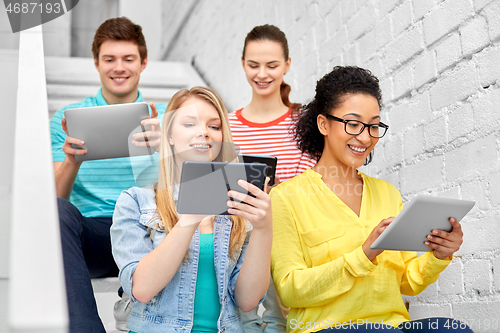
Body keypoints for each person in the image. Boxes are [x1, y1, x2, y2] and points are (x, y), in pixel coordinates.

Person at [270, 66, 472, 333]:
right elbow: (289, 289)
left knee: (452, 329)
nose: (365, 137)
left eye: (374, 126)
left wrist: (439, 254)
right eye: (353, 124)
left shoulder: (387, 194)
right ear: (323, 124)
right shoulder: (286, 197)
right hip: (326, 328)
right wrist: (362, 256)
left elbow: (407, 282)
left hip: (391, 326)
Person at [110, 86, 273, 332]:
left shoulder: (238, 208)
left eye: (214, 126)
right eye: (189, 124)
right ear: (170, 136)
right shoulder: (135, 201)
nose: (204, 133)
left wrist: (263, 229)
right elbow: (141, 289)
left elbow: (248, 301)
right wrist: (191, 215)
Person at [50, 17, 166, 332]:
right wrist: (71, 161)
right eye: (109, 59)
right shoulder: (67, 119)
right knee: (56, 212)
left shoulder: (167, 117)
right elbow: (55, 198)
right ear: (96, 63)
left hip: (155, 232)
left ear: (143, 63)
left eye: (128, 59)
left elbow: (196, 186)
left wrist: (166, 149)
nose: (119, 67)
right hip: (99, 233)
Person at [229, 24, 315, 333]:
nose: (262, 74)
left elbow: (314, 191)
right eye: (253, 65)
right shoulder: (226, 126)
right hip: (238, 242)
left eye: (272, 65)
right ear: (242, 64)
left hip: (291, 239)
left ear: (287, 65)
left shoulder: (304, 123)